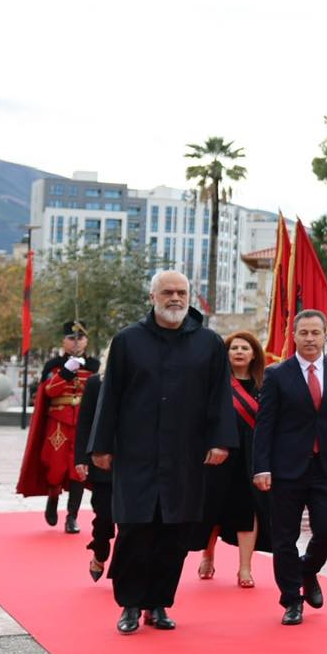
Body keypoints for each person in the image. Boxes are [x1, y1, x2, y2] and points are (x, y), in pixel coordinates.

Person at [87, 271, 233, 634]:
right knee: (135, 529)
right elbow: (111, 397)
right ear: (152, 297)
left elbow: (219, 397)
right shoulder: (127, 341)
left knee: (175, 534)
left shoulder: (209, 344)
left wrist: (220, 441)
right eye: (167, 292)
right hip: (137, 454)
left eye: (181, 292)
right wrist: (101, 445)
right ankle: (131, 604)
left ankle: (159, 603)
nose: (175, 298)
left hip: (186, 456)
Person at [251, 310, 327, 626]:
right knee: (284, 537)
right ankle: (291, 600)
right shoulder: (277, 374)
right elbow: (265, 425)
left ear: (324, 336)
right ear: (295, 336)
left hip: (325, 466)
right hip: (285, 468)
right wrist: (261, 466)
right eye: (304, 333)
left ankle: (306, 570)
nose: (311, 339)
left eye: (316, 333)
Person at [198, 331, 268, 587]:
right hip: (220, 454)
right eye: (234, 348)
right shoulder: (216, 385)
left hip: (251, 456)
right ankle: (208, 554)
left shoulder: (264, 385)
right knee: (213, 507)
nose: (239, 352)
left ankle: (245, 568)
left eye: (245, 348)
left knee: (248, 509)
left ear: (253, 355)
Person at [16, 321, 97, 533]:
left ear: (86, 341)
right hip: (58, 424)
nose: (76, 342)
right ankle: (53, 498)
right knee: (55, 466)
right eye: (71, 338)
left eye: (80, 338)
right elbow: (49, 391)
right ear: (63, 341)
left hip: (82, 424)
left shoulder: (94, 366)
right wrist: (67, 372)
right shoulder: (54, 365)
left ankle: (72, 516)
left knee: (79, 469)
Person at [74, 370, 114, 583]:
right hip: (103, 461)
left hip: (135, 461)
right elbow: (85, 422)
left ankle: (122, 570)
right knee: (105, 516)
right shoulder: (96, 383)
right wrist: (81, 458)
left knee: (132, 523)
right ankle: (100, 550)